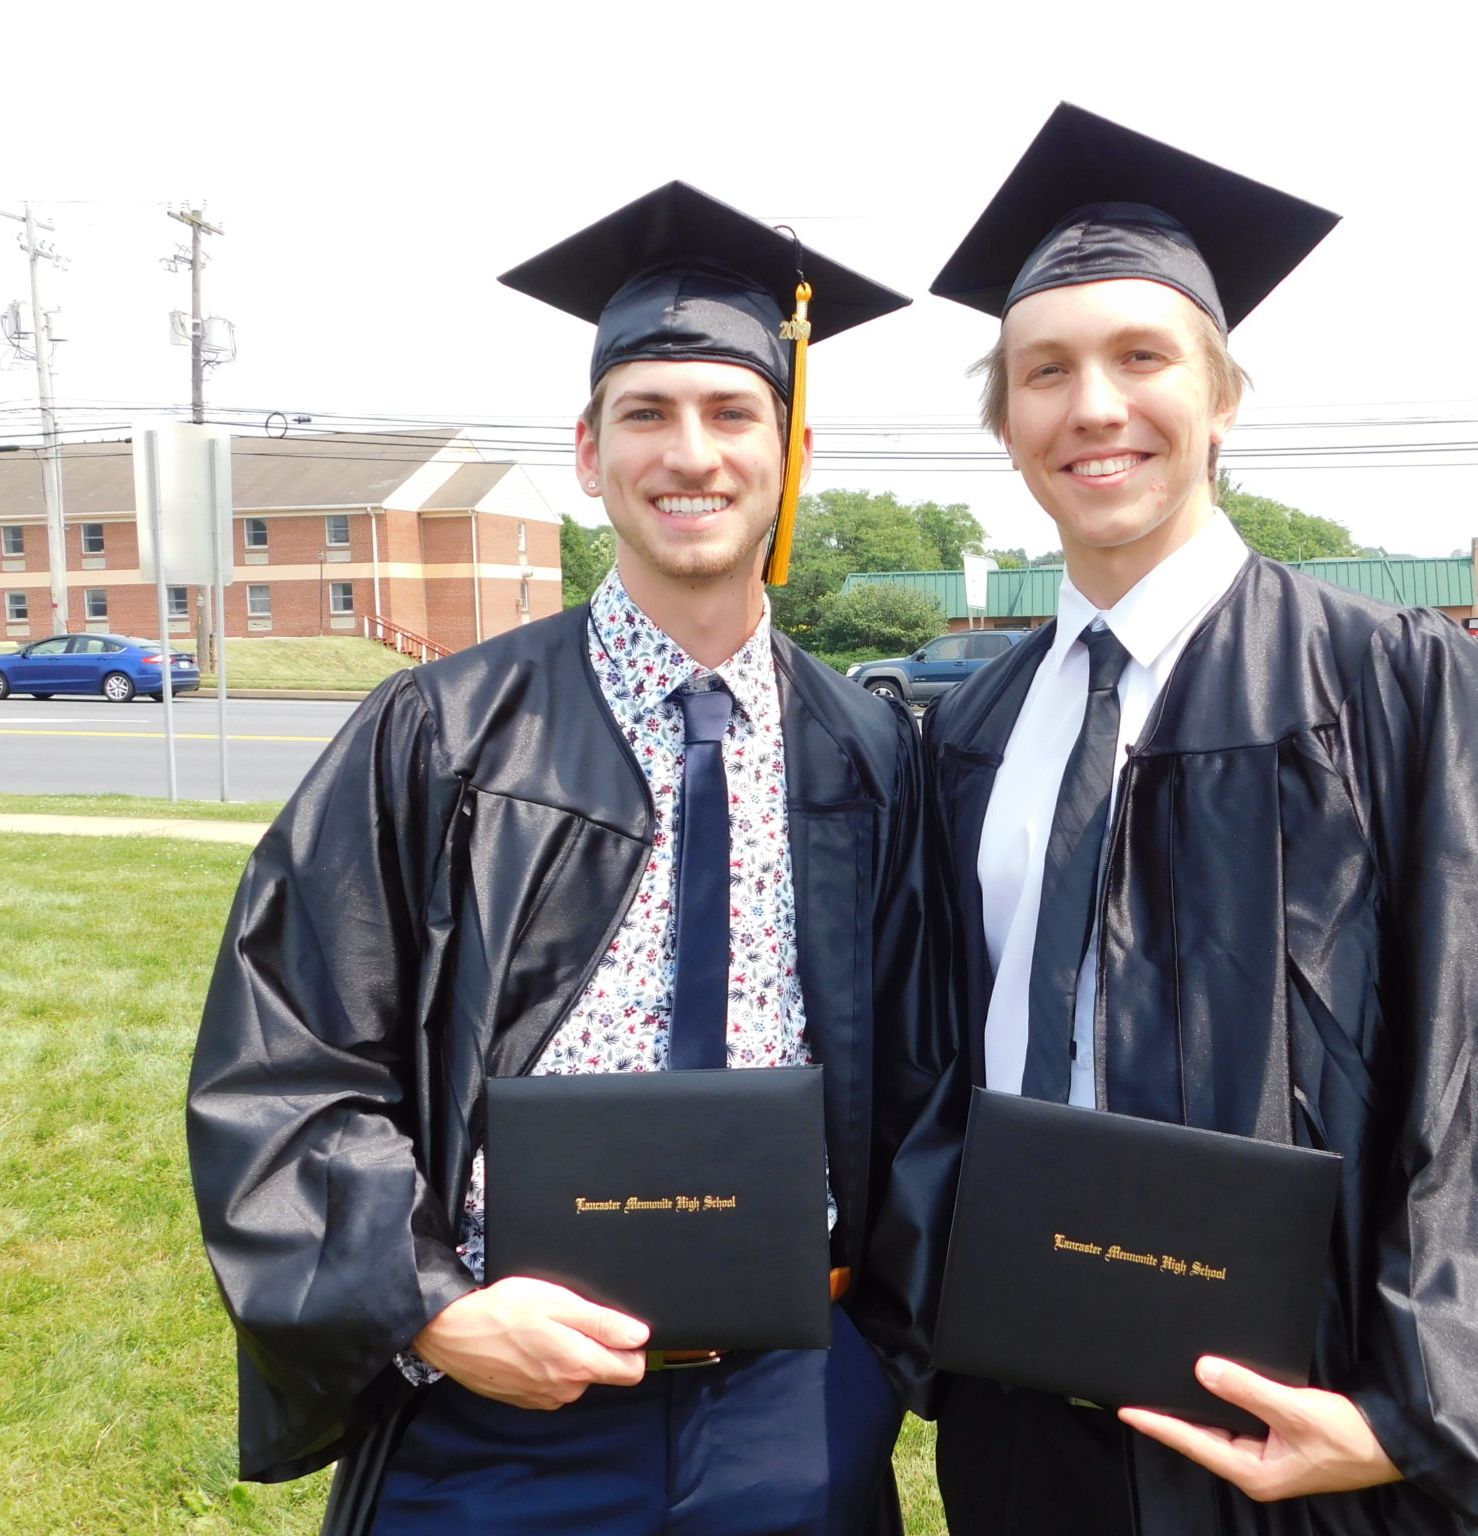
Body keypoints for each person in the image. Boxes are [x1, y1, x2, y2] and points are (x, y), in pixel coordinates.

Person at [880, 103, 1478, 1536]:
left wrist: (1424, 1406)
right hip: (1025, 1415)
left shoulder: (1386, 683)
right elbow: (944, 1051)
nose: (1095, 407)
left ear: (1225, 392)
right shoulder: (977, 728)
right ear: (1005, 419)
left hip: (1301, 1417)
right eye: (1045, 371)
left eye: (1144, 358)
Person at [186, 182, 927, 1536]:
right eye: (647, 413)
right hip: (498, 1418)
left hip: (790, 1414)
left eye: (729, 413)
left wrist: (880, 1345)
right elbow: (287, 1063)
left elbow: (929, 1076)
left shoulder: (867, 752)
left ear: (787, 446)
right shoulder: (440, 736)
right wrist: (429, 1309)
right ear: (588, 454)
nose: (688, 454)